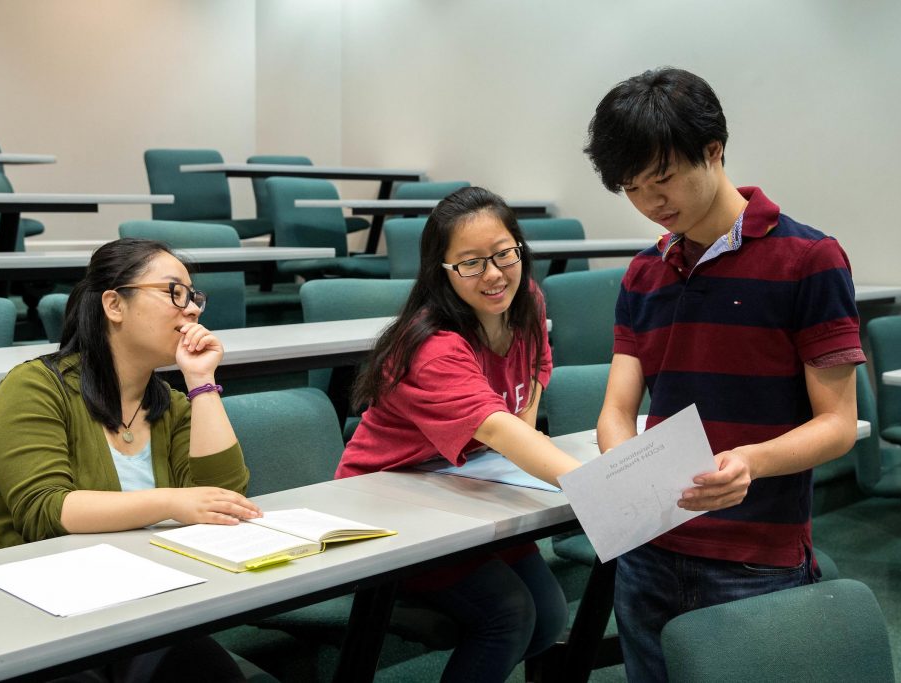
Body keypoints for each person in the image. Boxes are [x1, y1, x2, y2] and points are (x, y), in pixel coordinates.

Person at [583, 67, 863, 682]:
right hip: (649, 550)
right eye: (632, 188)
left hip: (754, 555)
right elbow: (617, 409)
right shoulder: (642, 274)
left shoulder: (809, 259)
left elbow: (840, 425)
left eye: (663, 179)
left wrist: (750, 462)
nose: (652, 204)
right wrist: (621, 474)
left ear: (714, 150)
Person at [0, 238, 261, 682]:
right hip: (36, 610)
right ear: (114, 304)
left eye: (194, 297)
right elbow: (47, 510)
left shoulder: (171, 403)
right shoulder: (33, 387)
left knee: (212, 673)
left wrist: (202, 381)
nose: (191, 310)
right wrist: (171, 503)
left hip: (144, 598)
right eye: (174, 293)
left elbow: (225, 497)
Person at [337, 186, 581, 682]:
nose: (494, 274)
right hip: (389, 503)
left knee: (550, 615)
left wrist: (520, 453)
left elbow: (533, 374)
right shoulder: (434, 349)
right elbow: (497, 428)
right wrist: (602, 483)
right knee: (508, 615)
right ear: (441, 272)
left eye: (503, 254)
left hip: (466, 484)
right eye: (470, 263)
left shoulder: (526, 298)